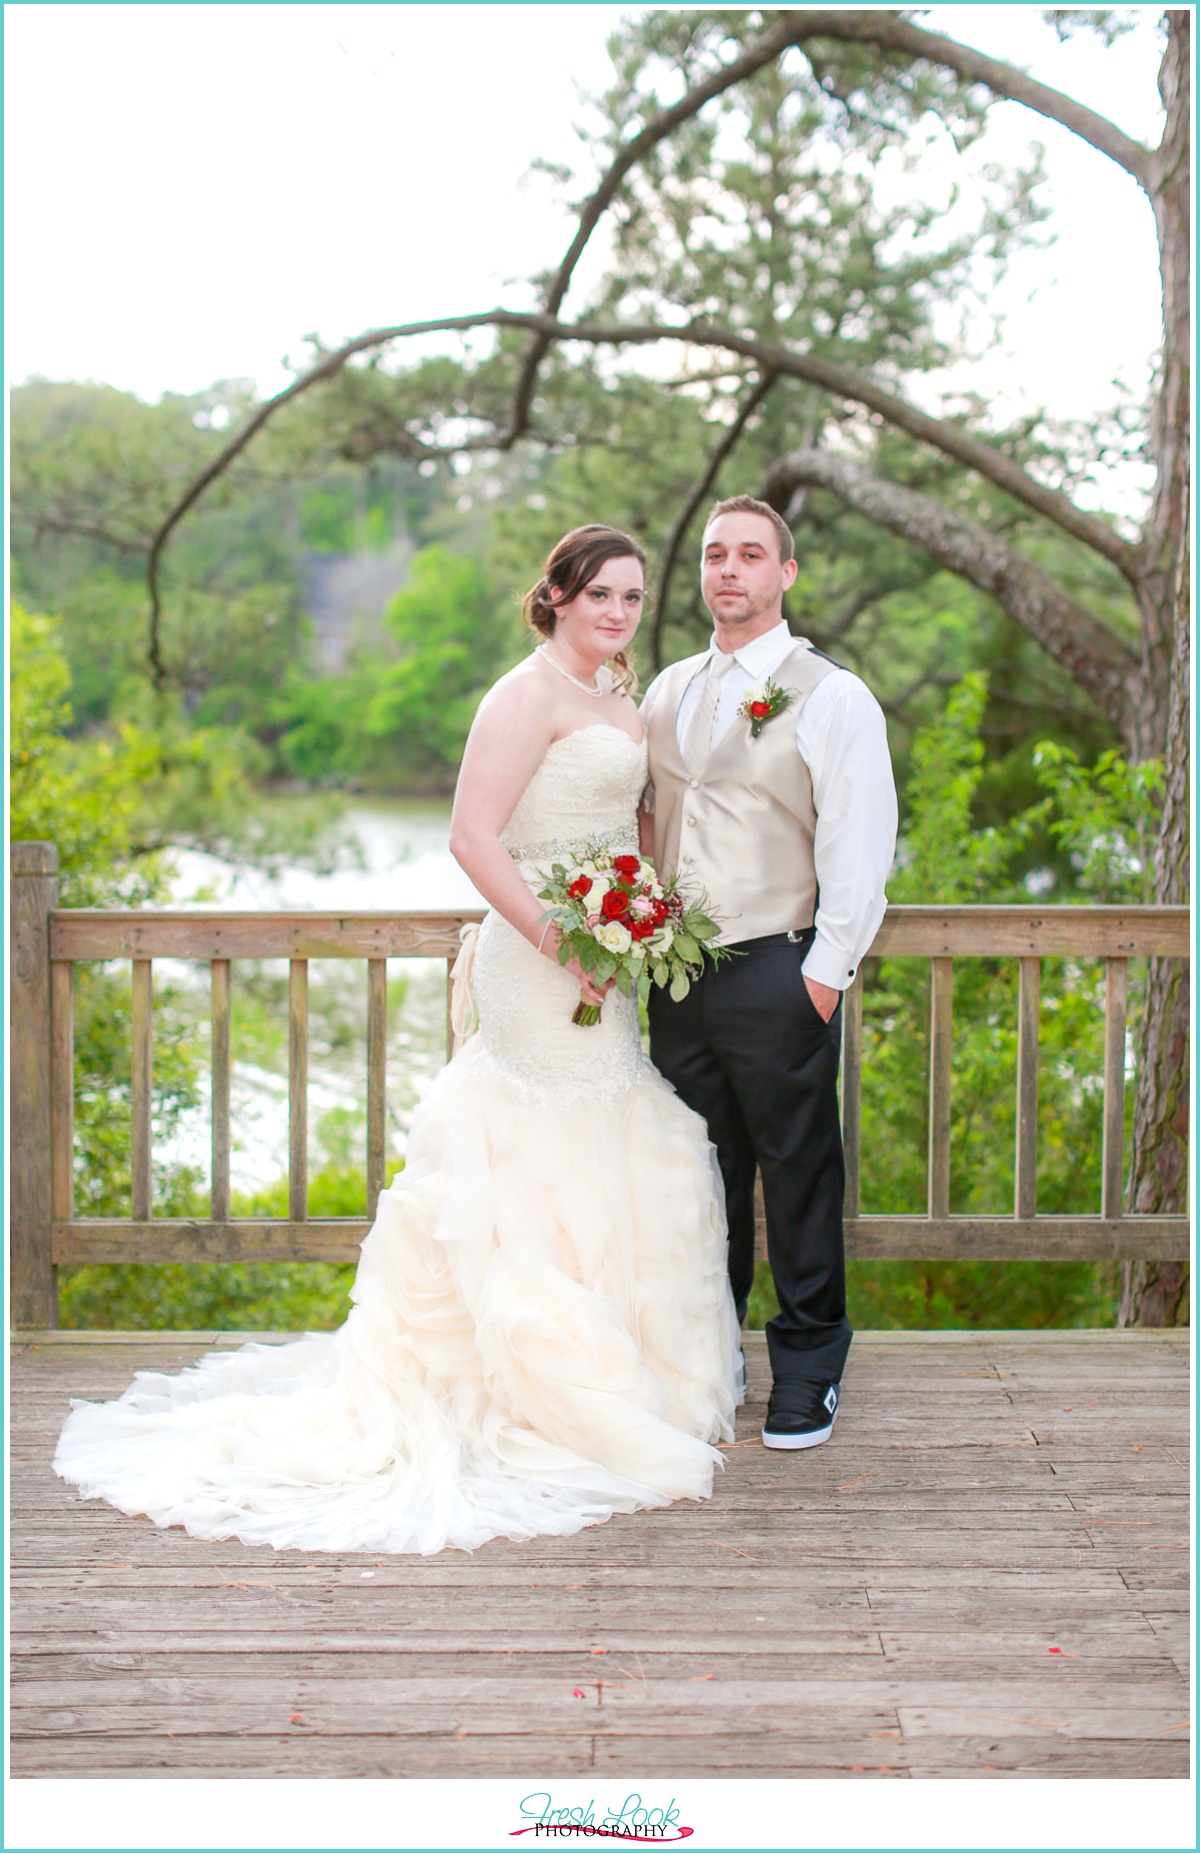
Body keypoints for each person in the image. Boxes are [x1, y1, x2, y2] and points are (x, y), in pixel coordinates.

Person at [53, 525, 741, 1556]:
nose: (617, 612)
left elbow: (628, 823)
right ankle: (519, 1384)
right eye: (599, 593)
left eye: (634, 596)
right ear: (554, 596)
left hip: (608, 959)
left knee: (614, 1142)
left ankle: (613, 1378)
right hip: (535, 960)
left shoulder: (616, 692)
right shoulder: (526, 692)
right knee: (530, 1156)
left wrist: (633, 919)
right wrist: (563, 934)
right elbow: (471, 835)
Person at [641, 496, 897, 1452]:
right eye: (715, 555)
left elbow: (860, 843)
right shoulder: (668, 688)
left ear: (785, 574)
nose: (729, 570)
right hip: (673, 975)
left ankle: (810, 1366)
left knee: (796, 1173)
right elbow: (649, 819)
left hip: (779, 967)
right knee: (698, 1177)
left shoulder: (831, 694)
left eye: (751, 554)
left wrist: (823, 976)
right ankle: (713, 1357)